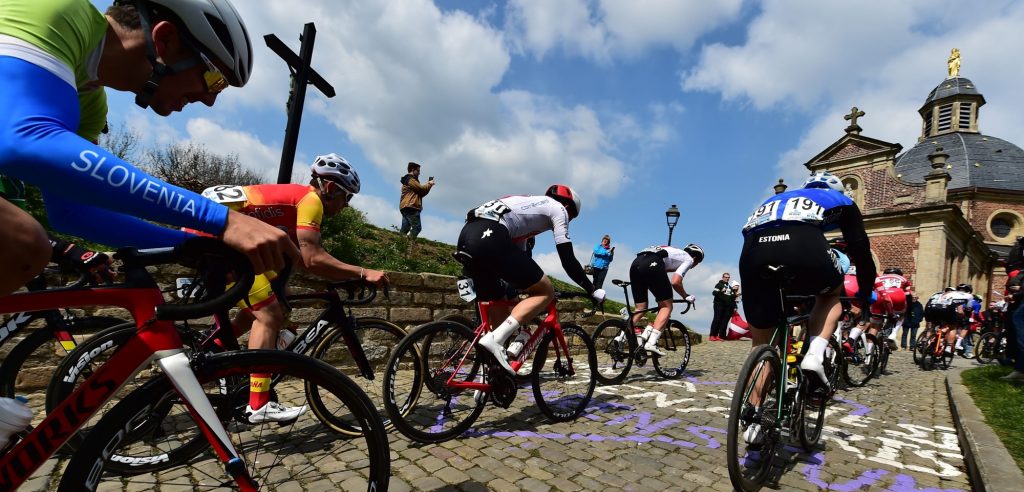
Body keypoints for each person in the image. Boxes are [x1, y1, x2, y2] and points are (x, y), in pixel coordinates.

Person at [0, 0, 298, 299]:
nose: (210, 100)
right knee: (22, 243)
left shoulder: (90, 105)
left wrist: (192, 249)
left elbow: (72, 211)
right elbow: (24, 141)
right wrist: (223, 219)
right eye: (214, 80)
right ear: (164, 39)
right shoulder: (57, 11)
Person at [197, 154, 389, 421]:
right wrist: (363, 272)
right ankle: (258, 403)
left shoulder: (294, 202)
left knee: (265, 309)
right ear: (331, 188)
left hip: (216, 237)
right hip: (216, 241)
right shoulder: (311, 200)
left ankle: (208, 357)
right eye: (348, 197)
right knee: (270, 316)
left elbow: (295, 260)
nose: (347, 205)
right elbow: (313, 259)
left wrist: (339, 274)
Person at [739, 170, 876, 395]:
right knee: (830, 294)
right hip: (801, 243)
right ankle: (814, 355)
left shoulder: (780, 198)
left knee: (762, 344)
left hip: (753, 251)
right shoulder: (843, 200)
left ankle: (752, 421)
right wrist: (865, 293)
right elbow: (861, 253)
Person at [456, 185, 605, 374]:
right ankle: (495, 340)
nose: (568, 221)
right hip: (490, 235)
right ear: (569, 207)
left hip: (467, 235)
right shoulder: (558, 208)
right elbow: (567, 259)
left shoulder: (524, 210)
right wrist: (592, 289)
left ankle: (488, 379)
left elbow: (520, 266)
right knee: (545, 291)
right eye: (571, 218)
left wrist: (524, 287)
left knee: (504, 305)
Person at [628, 244, 703, 355]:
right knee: (666, 306)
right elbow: (675, 282)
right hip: (652, 263)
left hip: (636, 263)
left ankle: (621, 336)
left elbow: (659, 276)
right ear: (696, 258)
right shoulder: (688, 259)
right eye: (697, 263)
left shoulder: (674, 252)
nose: (695, 265)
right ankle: (652, 342)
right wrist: (685, 296)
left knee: (641, 308)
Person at [399, 161, 434, 239]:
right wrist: (430, 184)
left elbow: (421, 193)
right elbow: (421, 189)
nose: (419, 173)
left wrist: (429, 185)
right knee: (417, 227)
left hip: (406, 206)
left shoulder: (409, 180)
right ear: (412, 169)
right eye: (418, 171)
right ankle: (408, 244)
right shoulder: (410, 179)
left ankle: (399, 245)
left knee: (405, 229)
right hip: (411, 206)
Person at [709, 273, 737, 341]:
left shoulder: (729, 287)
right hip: (718, 304)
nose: (727, 278)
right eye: (726, 277)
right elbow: (714, 293)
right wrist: (721, 291)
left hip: (725, 306)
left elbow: (731, 297)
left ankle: (717, 335)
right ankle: (712, 335)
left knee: (721, 320)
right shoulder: (719, 285)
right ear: (723, 277)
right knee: (717, 319)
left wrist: (735, 294)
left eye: (728, 277)